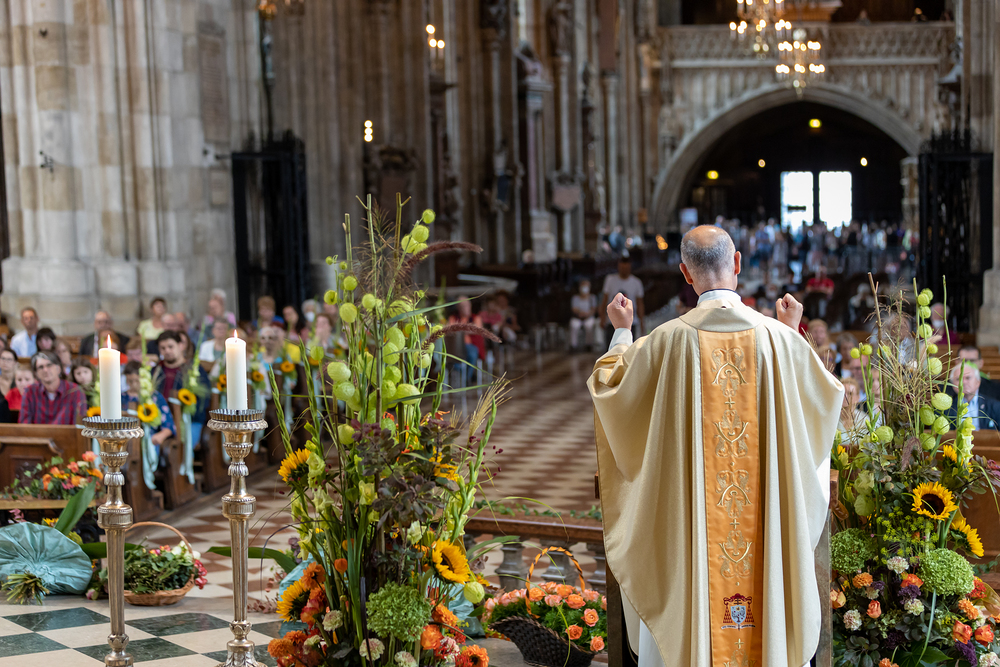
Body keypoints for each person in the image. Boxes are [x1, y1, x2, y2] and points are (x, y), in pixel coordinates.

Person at [588, 225, 843, 667]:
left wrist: (623, 334)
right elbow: (822, 400)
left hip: (694, 540)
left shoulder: (665, 342)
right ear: (739, 264)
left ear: (686, 274)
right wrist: (790, 334)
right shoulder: (777, 340)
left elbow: (612, 387)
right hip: (764, 527)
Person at [19, 351, 88, 425]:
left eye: (49, 365)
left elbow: (80, 424)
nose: (45, 370)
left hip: (67, 436)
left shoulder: (75, 390)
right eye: (40, 367)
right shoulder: (30, 392)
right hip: (38, 436)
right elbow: (24, 425)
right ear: (36, 373)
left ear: (58, 369)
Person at [122, 360, 175, 447]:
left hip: (150, 440)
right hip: (126, 441)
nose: (134, 384)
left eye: (137, 381)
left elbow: (168, 425)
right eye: (130, 381)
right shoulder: (122, 397)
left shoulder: (154, 396)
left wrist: (160, 436)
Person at [599, 254, 645, 341]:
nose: (624, 270)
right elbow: (604, 300)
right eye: (622, 268)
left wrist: (642, 321)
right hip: (612, 321)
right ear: (619, 267)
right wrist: (602, 317)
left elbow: (640, 304)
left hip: (631, 321)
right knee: (610, 349)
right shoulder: (610, 280)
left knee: (628, 349)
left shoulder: (636, 282)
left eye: (626, 268)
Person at [949, 362, 1000, 431]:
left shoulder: (994, 406)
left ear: (978, 382)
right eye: (958, 379)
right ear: (952, 384)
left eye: (968, 378)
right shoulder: (946, 408)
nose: (963, 382)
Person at [448, 298, 485, 383]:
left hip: (470, 345)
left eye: (468, 305)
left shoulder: (476, 318)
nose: (466, 308)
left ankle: (467, 379)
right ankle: (458, 377)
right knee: (454, 358)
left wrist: (460, 329)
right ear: (459, 307)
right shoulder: (453, 318)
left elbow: (478, 329)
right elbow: (449, 329)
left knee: (472, 354)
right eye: (463, 306)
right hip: (456, 347)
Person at [569, 280, 597, 351]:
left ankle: (588, 345)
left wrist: (587, 314)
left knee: (589, 325)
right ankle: (573, 345)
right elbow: (574, 308)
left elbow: (593, 309)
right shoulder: (575, 298)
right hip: (578, 317)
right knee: (574, 325)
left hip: (588, 317)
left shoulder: (592, 297)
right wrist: (580, 313)